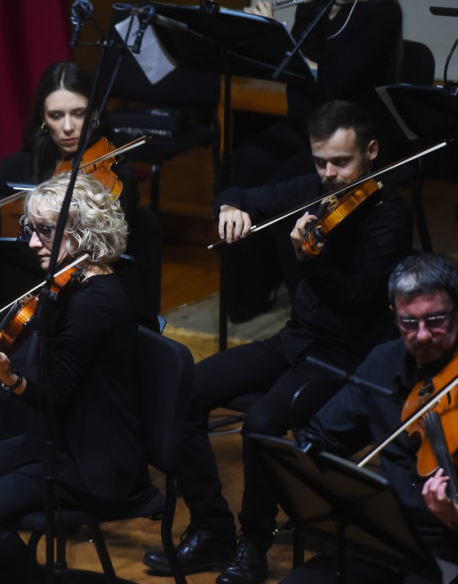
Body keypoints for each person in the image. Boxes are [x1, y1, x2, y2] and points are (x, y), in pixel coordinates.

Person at [142, 100, 414, 584]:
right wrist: (228, 208)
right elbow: (237, 191)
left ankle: (254, 543)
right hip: (295, 340)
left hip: (345, 357)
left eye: (341, 162)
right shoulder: (311, 190)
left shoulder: (390, 215)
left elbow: (354, 300)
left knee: (262, 422)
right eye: (320, 162)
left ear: (371, 151)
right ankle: (212, 528)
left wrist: (311, 260)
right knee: (185, 389)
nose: (329, 175)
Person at [0, 173, 148, 584]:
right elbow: (17, 313)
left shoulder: (94, 304)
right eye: (31, 231)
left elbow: (53, 397)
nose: (33, 243)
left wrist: (10, 378)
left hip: (91, 461)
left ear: (82, 230)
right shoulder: (72, 284)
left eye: (44, 231)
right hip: (57, 441)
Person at [0, 61, 157, 322]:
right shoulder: (32, 162)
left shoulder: (116, 174)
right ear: (43, 120)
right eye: (56, 116)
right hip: (46, 300)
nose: (67, 127)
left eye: (78, 113)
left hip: (94, 304)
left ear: (94, 115)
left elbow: (106, 246)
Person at [280, 253, 458, 584]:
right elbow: (321, 438)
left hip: (447, 546)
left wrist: (452, 518)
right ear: (394, 315)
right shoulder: (383, 362)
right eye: (409, 322)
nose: (421, 335)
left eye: (435, 320)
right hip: (383, 534)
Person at [229, 0, 402, 321]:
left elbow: (335, 84)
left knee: (289, 185)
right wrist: (263, 36)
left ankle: (308, 308)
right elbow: (294, 72)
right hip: (303, 126)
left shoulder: (382, 11)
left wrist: (276, 38)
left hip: (347, 136)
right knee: (243, 166)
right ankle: (252, 290)